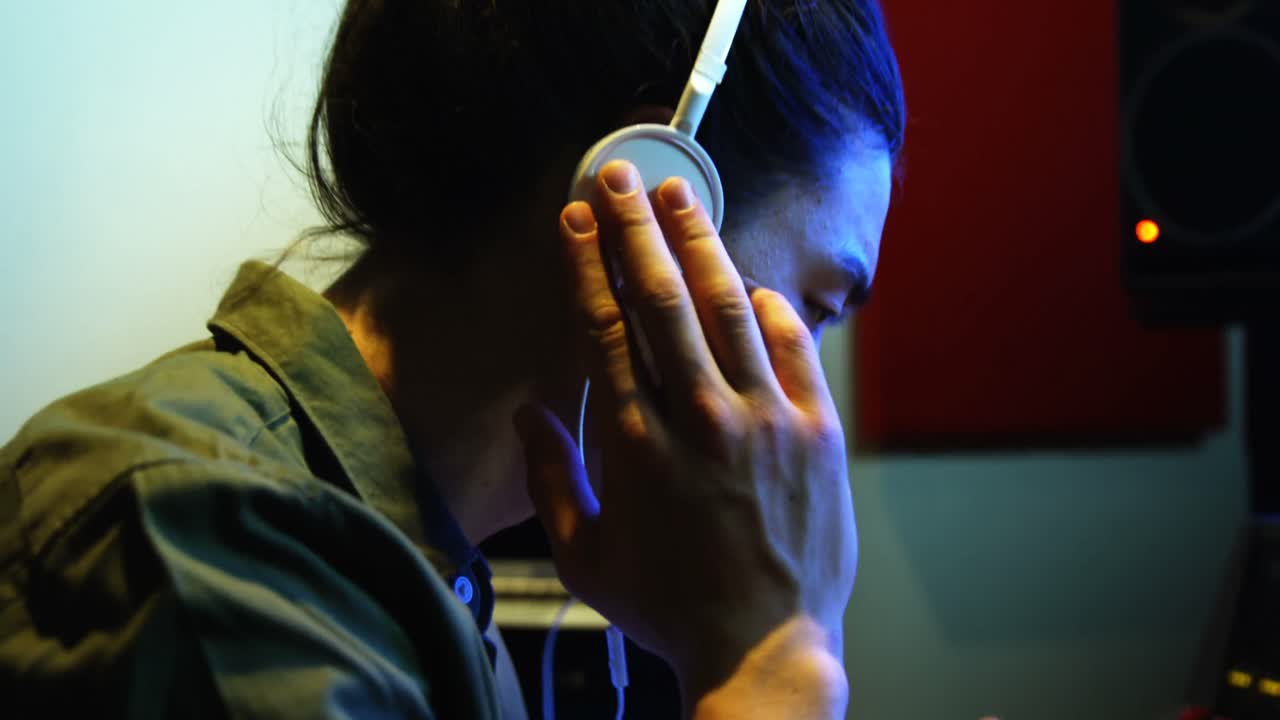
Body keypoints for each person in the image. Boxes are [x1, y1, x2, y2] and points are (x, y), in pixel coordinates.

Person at [0, 0, 904, 717]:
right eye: (815, 312)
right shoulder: (203, 533)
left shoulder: (416, 565)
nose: (806, 403)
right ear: (649, 206)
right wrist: (773, 668)